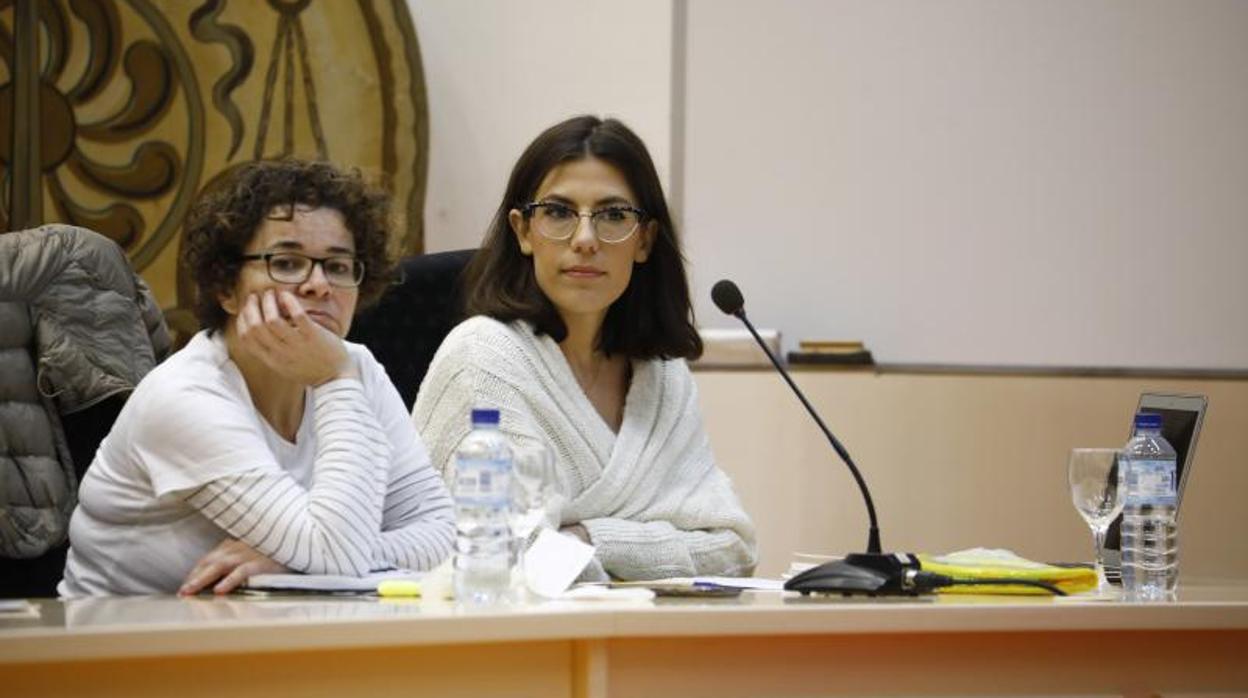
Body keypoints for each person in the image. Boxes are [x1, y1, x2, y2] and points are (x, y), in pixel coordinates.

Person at [59, 160, 455, 597]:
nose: (319, 285)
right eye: (287, 263)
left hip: (267, 627)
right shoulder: (185, 396)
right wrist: (333, 382)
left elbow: (444, 537)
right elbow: (339, 553)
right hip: (120, 644)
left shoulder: (354, 367)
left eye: (338, 267)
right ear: (226, 288)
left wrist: (291, 559)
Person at [412, 116, 757, 581]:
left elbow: (732, 549)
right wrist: (647, 546)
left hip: (639, 640)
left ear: (645, 240)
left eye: (614, 216)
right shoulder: (484, 359)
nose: (585, 240)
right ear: (523, 231)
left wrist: (587, 538)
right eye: (558, 212)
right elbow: (515, 559)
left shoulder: (662, 374)